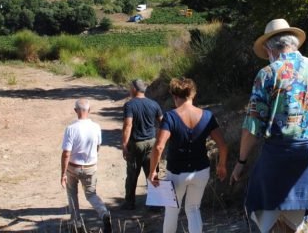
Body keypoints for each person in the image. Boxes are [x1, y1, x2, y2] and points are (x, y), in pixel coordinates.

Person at [231, 18, 308, 232]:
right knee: (294, 226)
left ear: (268, 47)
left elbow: (252, 126)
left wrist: (241, 161)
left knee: (267, 221)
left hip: (276, 158)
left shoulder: (268, 74)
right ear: (294, 43)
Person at [149, 78, 229, 233]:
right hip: (201, 171)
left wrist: (153, 171)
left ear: (174, 96)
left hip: (177, 173)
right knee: (193, 209)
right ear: (193, 95)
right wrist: (222, 165)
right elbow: (223, 146)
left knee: (172, 209)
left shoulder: (170, 117)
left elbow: (159, 147)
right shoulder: (207, 116)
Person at [60, 99, 112, 232]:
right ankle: (104, 213)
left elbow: (66, 153)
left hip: (73, 166)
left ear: (76, 111)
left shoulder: (71, 129)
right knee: (91, 194)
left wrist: (63, 173)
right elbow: (98, 146)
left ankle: (76, 223)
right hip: (90, 166)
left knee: (72, 193)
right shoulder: (96, 127)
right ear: (89, 110)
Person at [121, 79, 163, 210]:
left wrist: (124, 144)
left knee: (132, 173)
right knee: (152, 171)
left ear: (134, 89)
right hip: (151, 142)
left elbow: (128, 125)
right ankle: (155, 203)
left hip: (136, 143)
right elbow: (162, 121)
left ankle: (130, 203)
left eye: (130, 87)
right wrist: (160, 139)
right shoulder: (154, 104)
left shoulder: (130, 105)